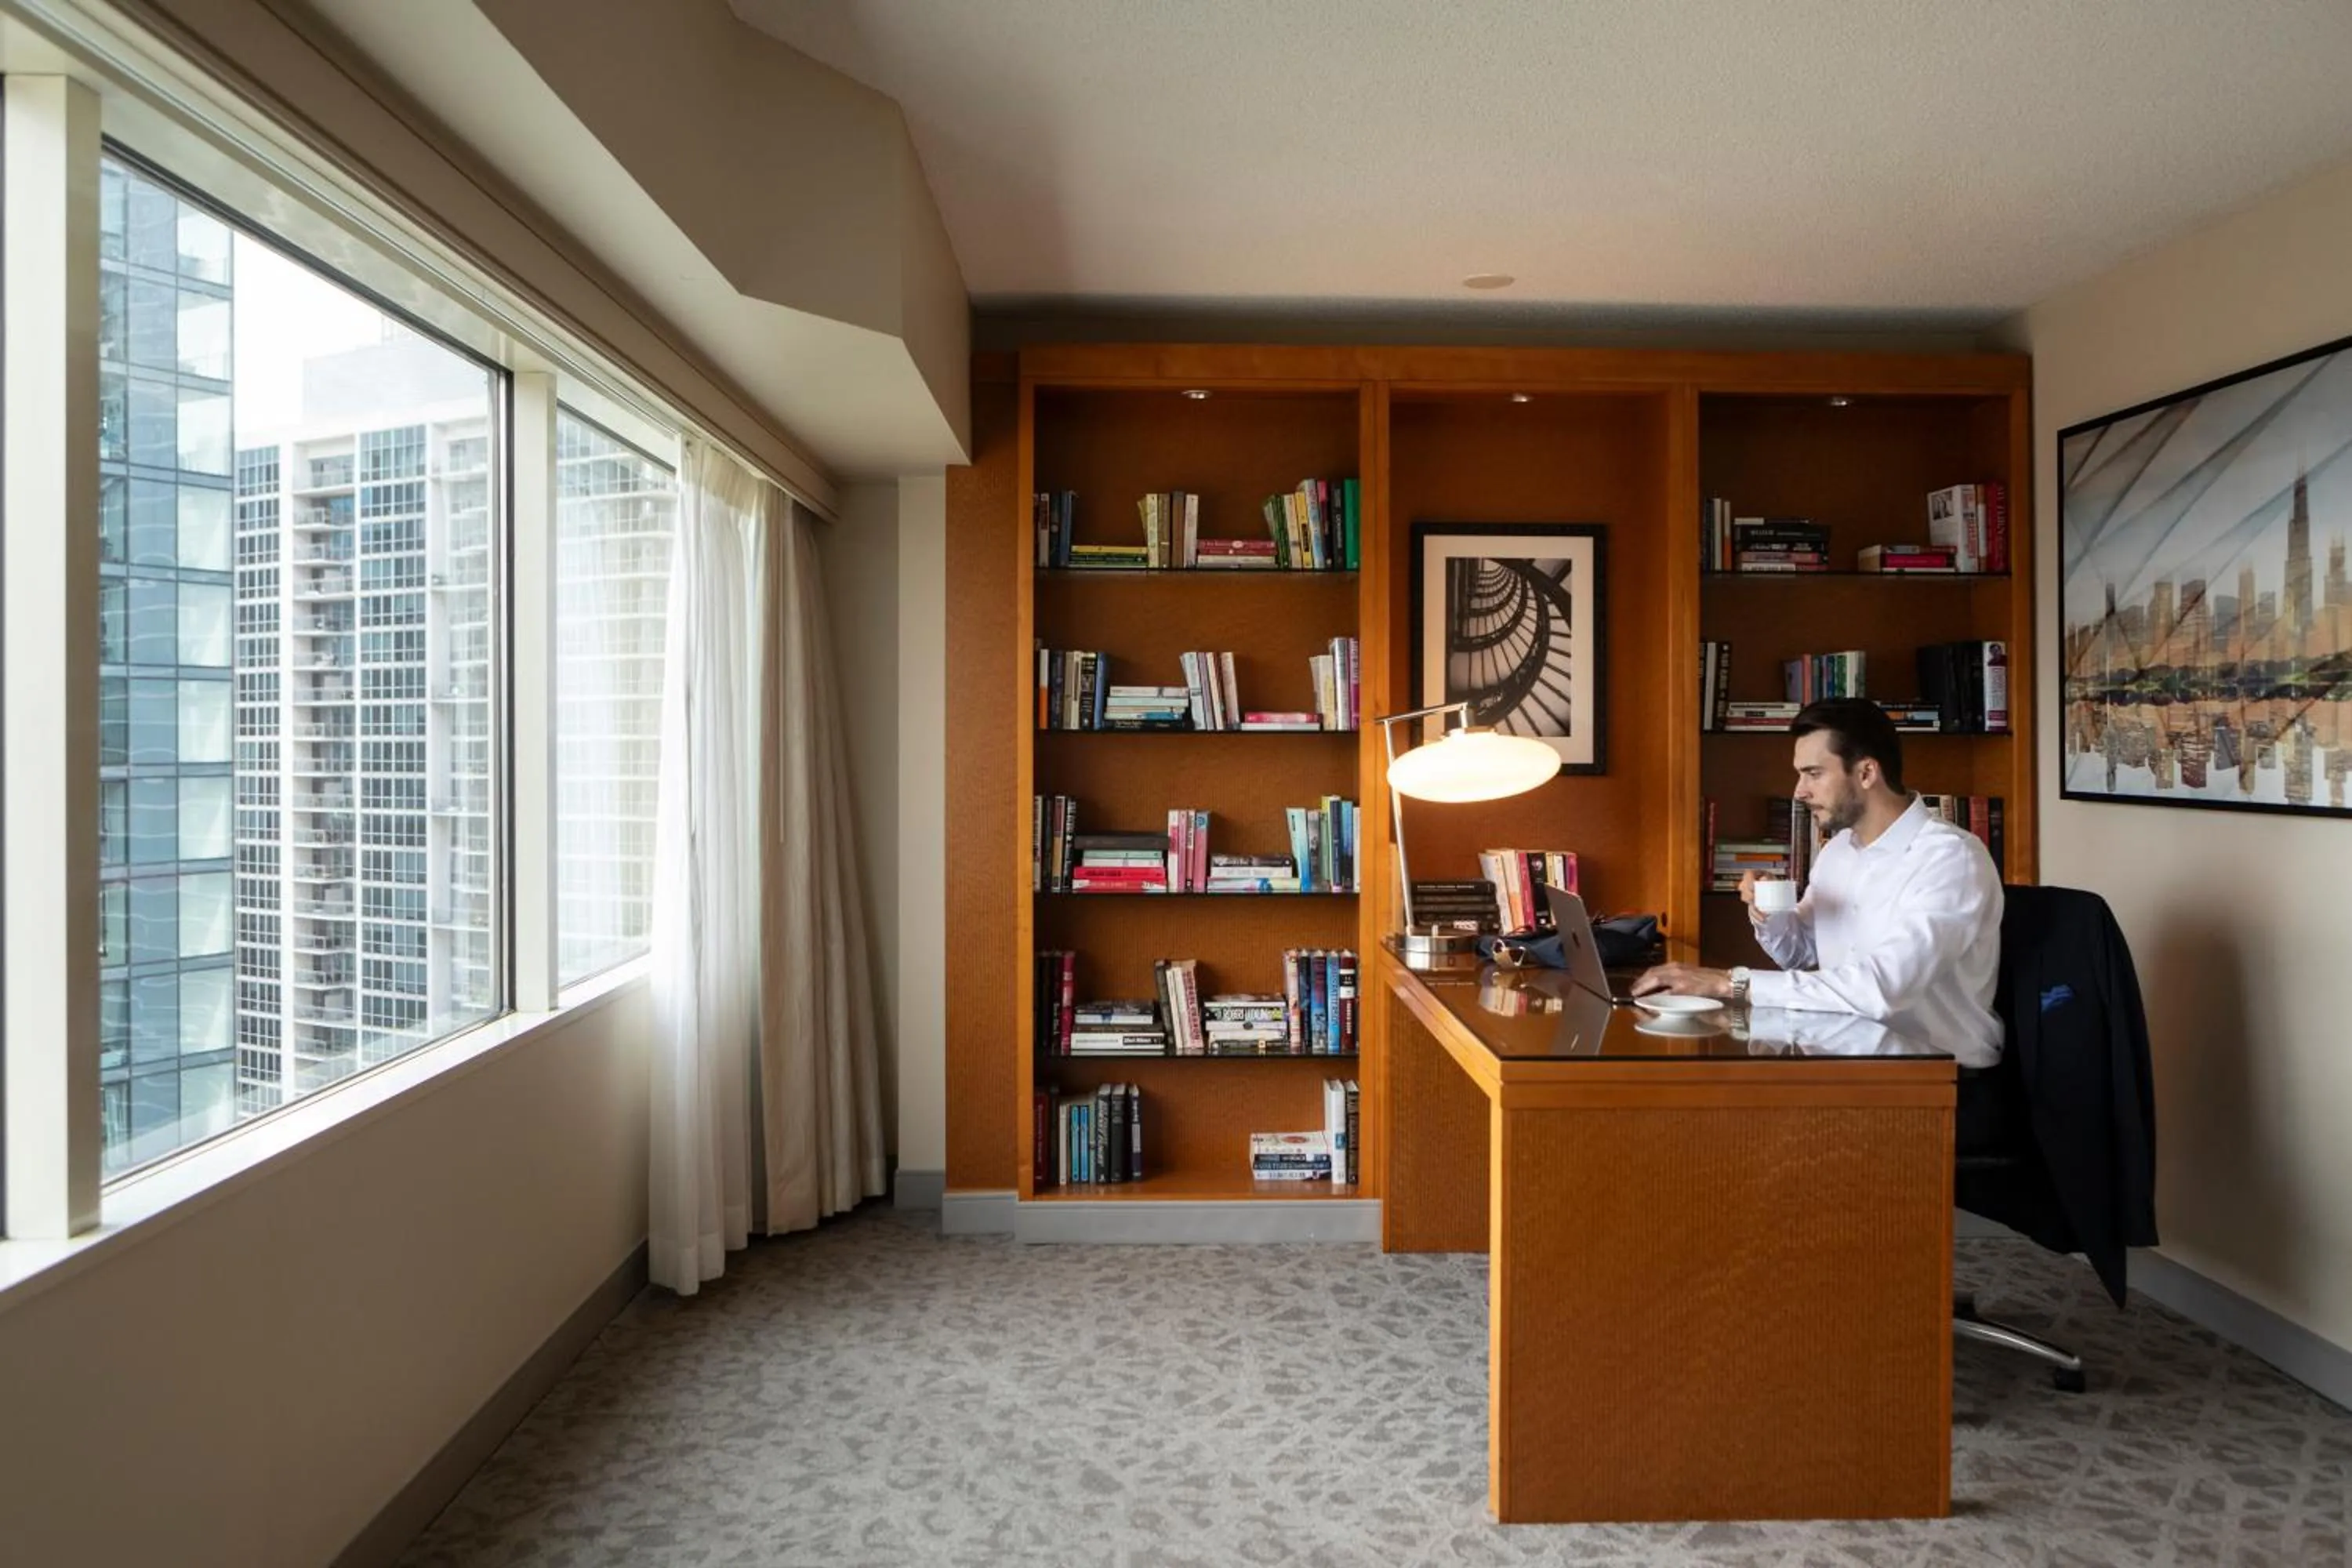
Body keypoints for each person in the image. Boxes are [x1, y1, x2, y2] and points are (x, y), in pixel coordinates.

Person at [1632, 697, 2005, 1069]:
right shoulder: (1838, 851)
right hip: (1848, 1065)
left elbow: (1882, 989)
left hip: (1940, 1078)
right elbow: (1799, 954)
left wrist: (1729, 983)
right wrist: (1770, 909)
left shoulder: (1951, 859)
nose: (1799, 791)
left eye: (1813, 773)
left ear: (1866, 773)